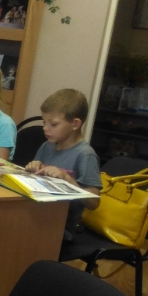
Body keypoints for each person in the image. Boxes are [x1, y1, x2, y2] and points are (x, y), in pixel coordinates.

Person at [26, 89, 101, 240]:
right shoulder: (47, 146)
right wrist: (32, 168)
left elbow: (94, 202)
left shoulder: (85, 155)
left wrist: (68, 179)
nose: (45, 128)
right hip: (39, 212)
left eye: (53, 124)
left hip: (62, 226)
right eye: (44, 122)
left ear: (75, 124)